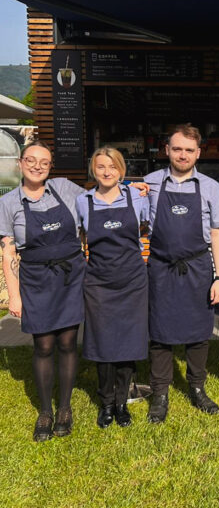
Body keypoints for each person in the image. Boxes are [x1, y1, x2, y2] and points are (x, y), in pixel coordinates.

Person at [0, 141, 86, 441]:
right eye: (31, 160)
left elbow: (102, 197)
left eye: (44, 162)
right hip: (36, 280)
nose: (37, 166)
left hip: (70, 276)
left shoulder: (64, 188)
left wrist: (134, 190)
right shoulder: (9, 202)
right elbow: (8, 252)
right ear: (20, 163)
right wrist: (15, 295)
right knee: (44, 345)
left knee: (67, 342)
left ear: (51, 167)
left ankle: (65, 408)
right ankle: (45, 410)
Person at [144, 124, 219, 424]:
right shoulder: (149, 184)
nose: (182, 154)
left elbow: (217, 232)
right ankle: (160, 394)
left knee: (198, 333)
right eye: (177, 148)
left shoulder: (210, 187)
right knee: (160, 333)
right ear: (166, 150)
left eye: (189, 150)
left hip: (198, 267)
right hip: (161, 268)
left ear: (198, 153)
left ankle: (197, 387)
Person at [77, 147, 149, 429]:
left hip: (132, 280)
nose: (107, 172)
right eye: (100, 167)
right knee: (103, 343)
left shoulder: (136, 196)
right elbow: (77, 237)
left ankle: (122, 403)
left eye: (112, 167)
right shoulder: (83, 202)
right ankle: (105, 403)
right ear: (93, 171)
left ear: (121, 170)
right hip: (98, 282)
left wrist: (134, 184)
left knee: (128, 344)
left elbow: (146, 226)